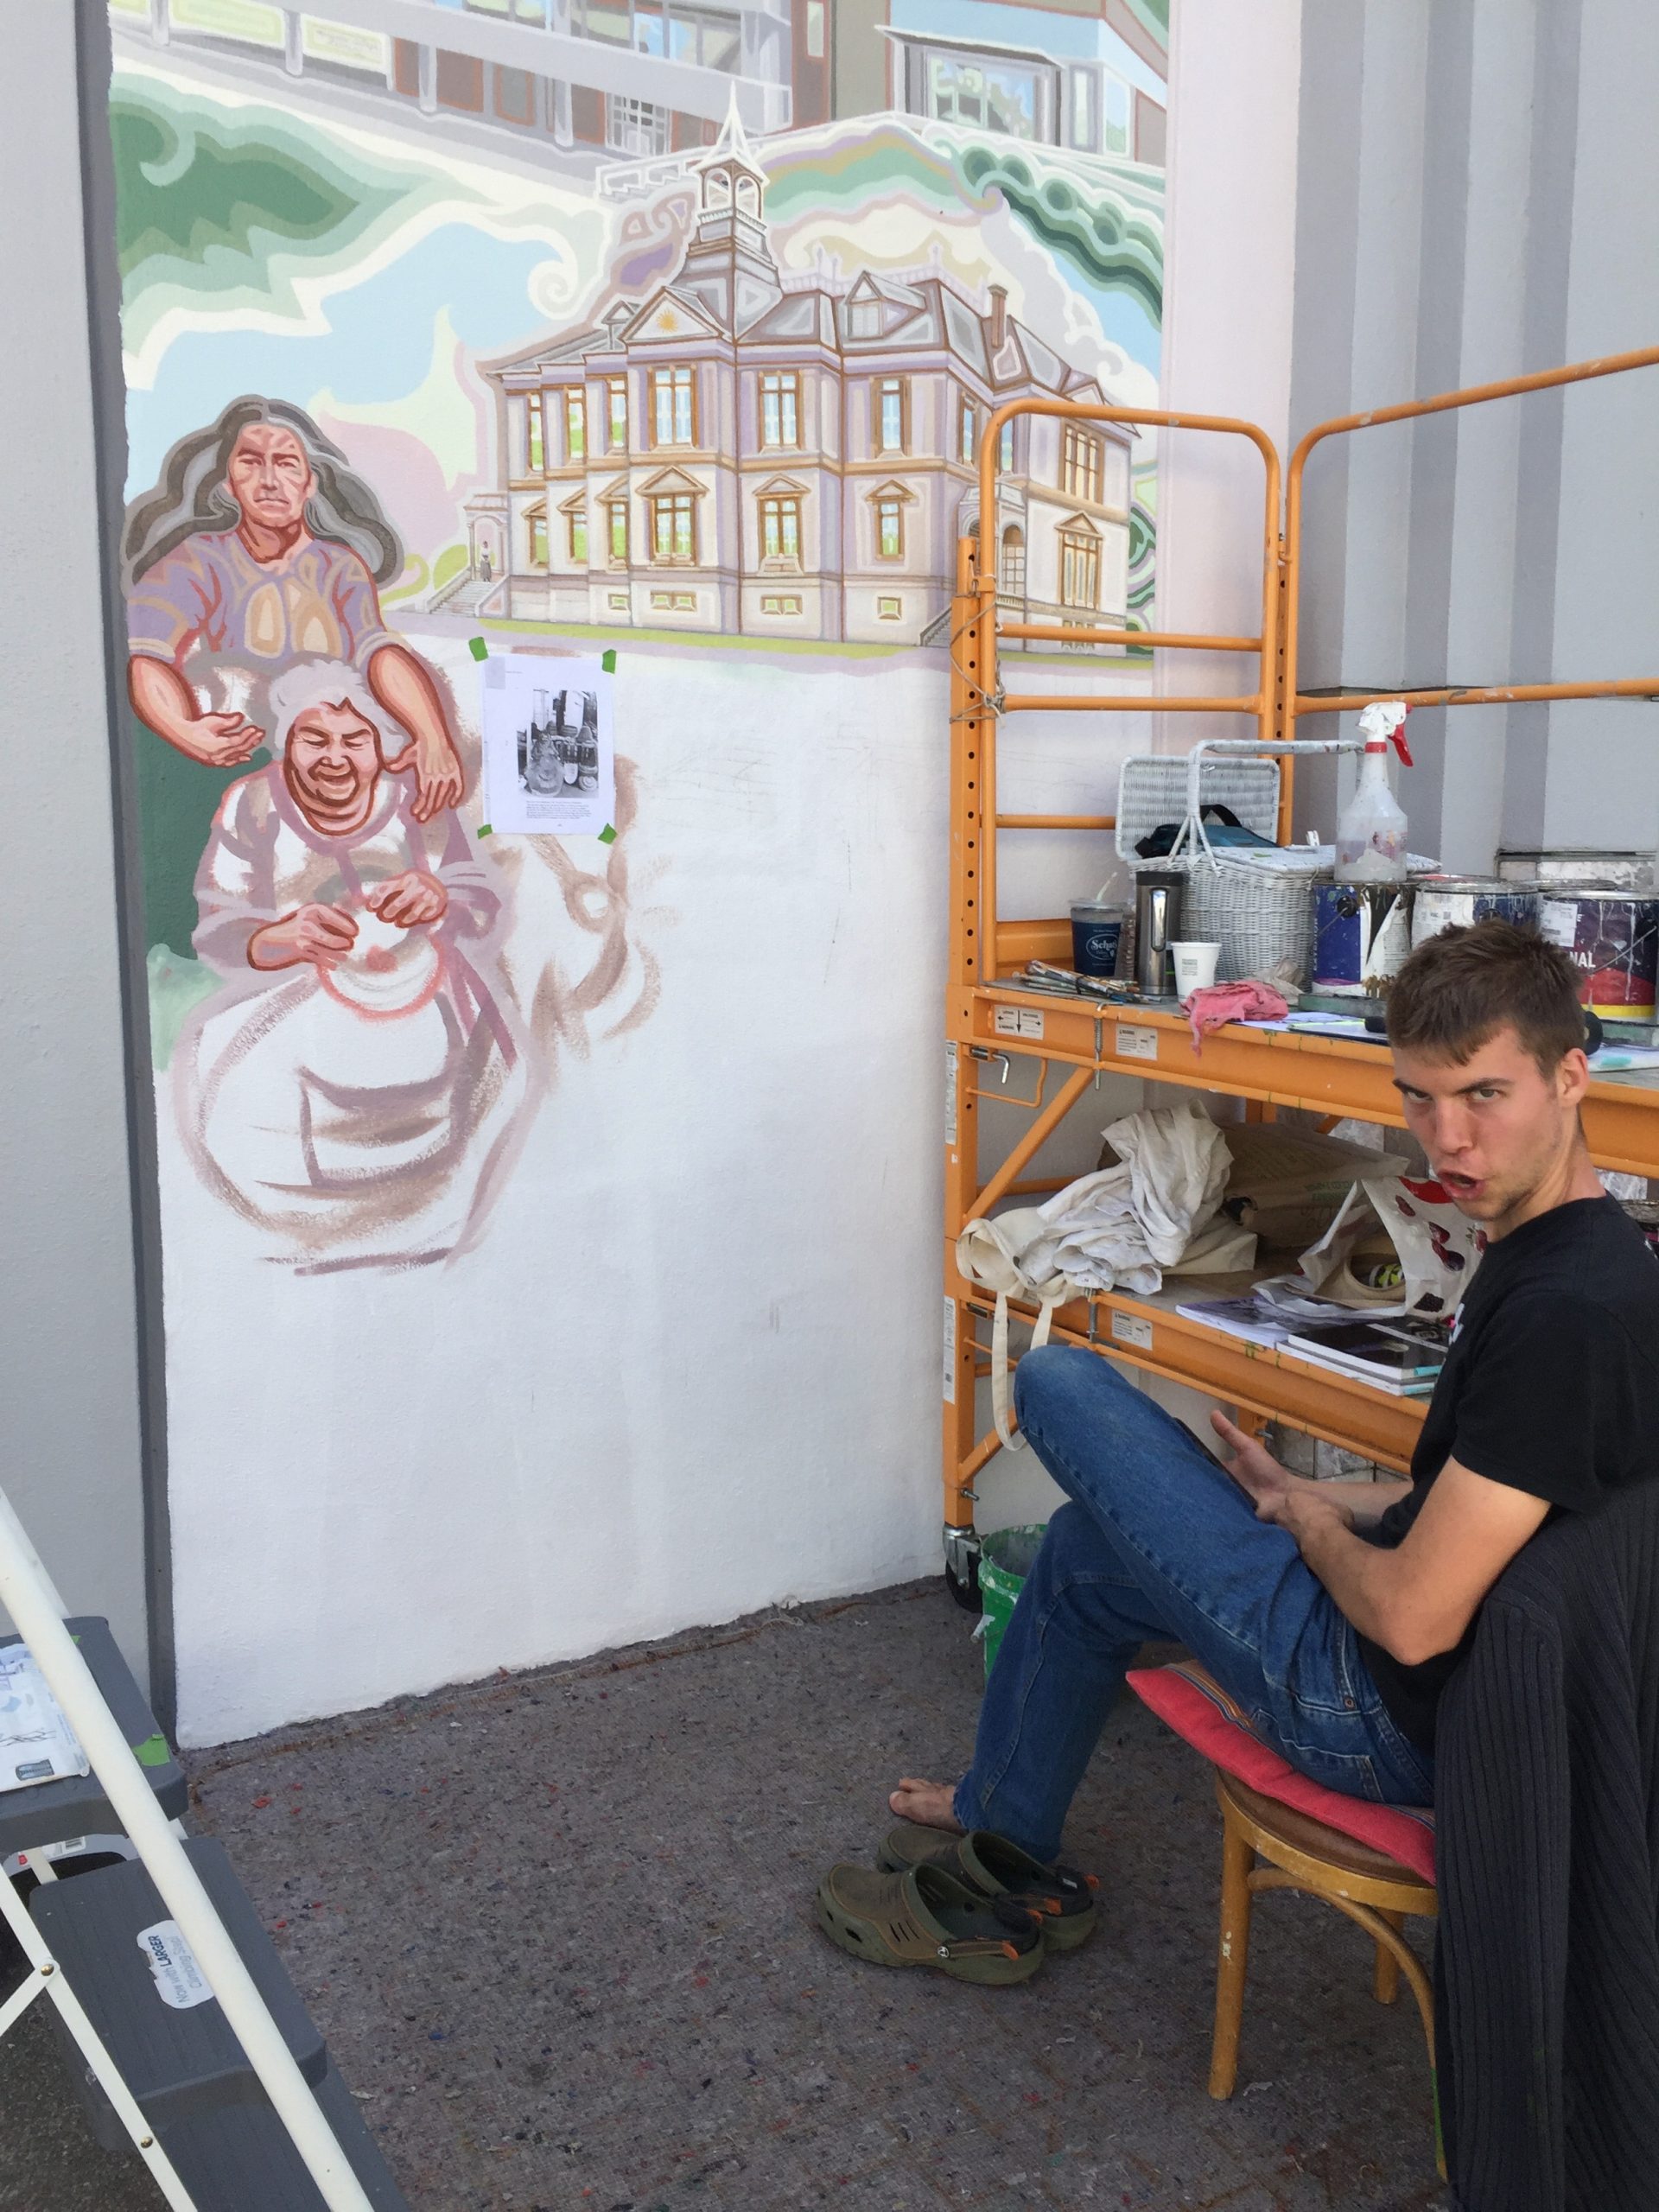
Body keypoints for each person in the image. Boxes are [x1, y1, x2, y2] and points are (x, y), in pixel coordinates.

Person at [892, 920, 1659, 1863]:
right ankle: (1002, 1823)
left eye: (1484, 1095)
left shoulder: (1565, 1317)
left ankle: (1002, 1824)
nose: (1447, 1139)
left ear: (1571, 1077)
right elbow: (1488, 1491)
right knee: (1084, 1552)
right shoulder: (1582, 1250)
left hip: (1375, 1713)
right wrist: (1307, 1493)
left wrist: (1313, 1527)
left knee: (1056, 1379)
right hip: (1442, 1672)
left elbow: (1413, 1621)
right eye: (1418, 1098)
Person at [174, 659, 533, 1273]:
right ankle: (301, 1238)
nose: (334, 757)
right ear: (287, 742)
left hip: (424, 994)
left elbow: (481, 900)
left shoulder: (417, 799)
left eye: (354, 741)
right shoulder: (253, 804)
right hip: (296, 1005)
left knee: (495, 1073)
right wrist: (278, 938)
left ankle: (438, 1226)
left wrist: (440, 897)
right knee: (230, 1079)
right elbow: (219, 931)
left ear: (381, 749)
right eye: (314, 739)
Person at [124, 395, 463, 822]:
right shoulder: (196, 560)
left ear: (309, 483)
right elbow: (148, 657)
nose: (269, 480)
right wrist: (184, 731)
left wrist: (433, 736)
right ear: (228, 484)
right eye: (251, 462)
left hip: (330, 755)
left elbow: (378, 650)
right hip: (244, 755)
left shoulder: (339, 567)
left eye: (286, 463)